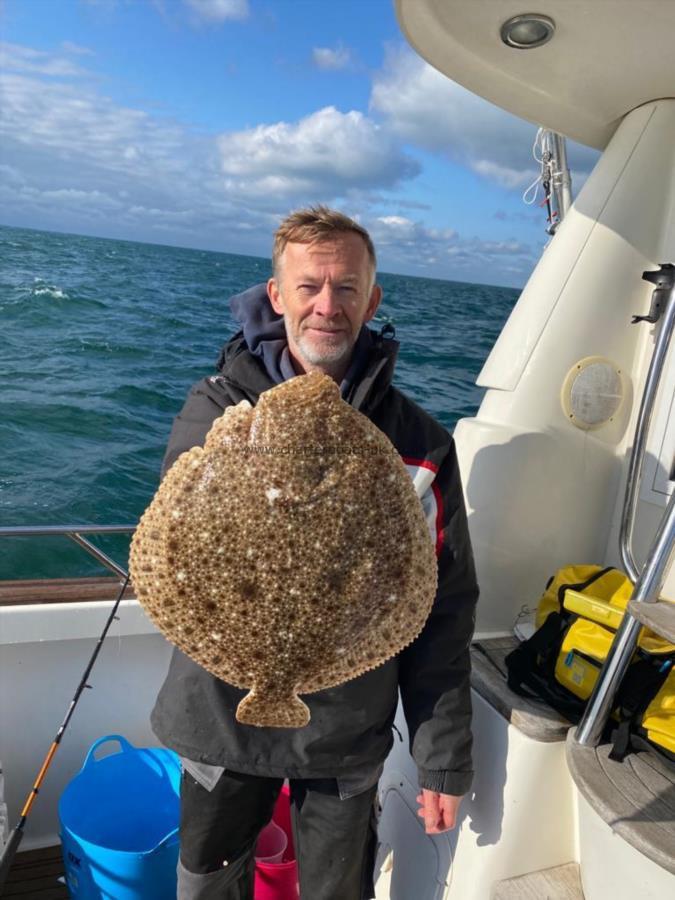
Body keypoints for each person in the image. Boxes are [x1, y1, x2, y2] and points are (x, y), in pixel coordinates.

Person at [150, 206, 479, 900]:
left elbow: (442, 603)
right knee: (204, 885)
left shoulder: (419, 441)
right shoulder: (215, 410)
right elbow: (173, 542)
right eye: (308, 286)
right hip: (219, 719)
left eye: (346, 287)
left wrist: (441, 759)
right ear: (277, 296)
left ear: (371, 299)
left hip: (346, 733)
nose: (327, 305)